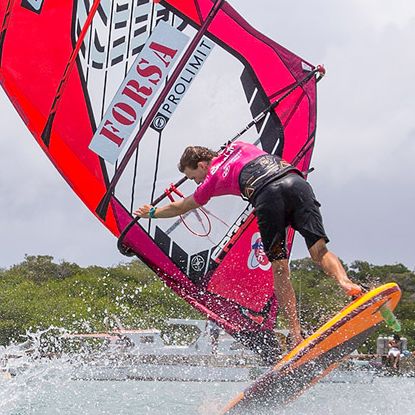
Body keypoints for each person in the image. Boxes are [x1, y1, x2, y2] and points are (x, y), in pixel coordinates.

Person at [137, 142, 361, 352]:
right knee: (319, 250)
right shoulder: (238, 145)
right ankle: (348, 285)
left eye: (193, 176)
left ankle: (296, 335)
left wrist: (153, 212)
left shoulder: (210, 179)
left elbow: (183, 206)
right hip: (296, 182)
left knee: (280, 268)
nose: (195, 181)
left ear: (202, 165)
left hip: (267, 194)